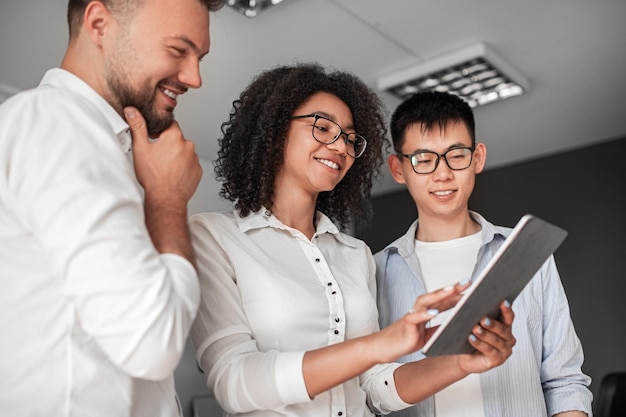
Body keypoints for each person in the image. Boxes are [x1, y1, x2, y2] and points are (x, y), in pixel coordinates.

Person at [188, 63, 516, 417]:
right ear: (274, 129)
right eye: (323, 127)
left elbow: (375, 387)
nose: (340, 146)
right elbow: (234, 383)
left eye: (348, 137)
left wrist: (462, 364)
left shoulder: (355, 253)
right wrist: (377, 345)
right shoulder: (214, 236)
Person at [0, 0, 225, 416]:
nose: (194, 78)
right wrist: (168, 198)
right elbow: (150, 341)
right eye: (179, 50)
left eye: (200, 58)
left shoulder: (97, 146)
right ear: (99, 24)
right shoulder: (57, 122)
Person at [375, 90, 593, 417]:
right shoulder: (374, 273)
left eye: (456, 154)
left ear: (477, 158)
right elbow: (371, 394)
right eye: (423, 158)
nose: (443, 173)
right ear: (398, 168)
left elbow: (565, 382)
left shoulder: (528, 255)